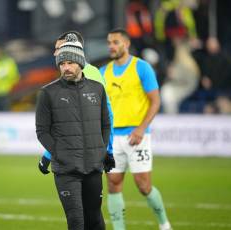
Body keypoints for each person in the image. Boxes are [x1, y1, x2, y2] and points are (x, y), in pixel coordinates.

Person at [35, 33, 115, 230]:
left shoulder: (96, 86)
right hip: (66, 169)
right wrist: (58, 153)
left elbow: (106, 121)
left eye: (70, 62)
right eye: (62, 63)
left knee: (95, 219)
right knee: (76, 222)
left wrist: (103, 150)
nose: (66, 67)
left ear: (80, 62)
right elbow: (42, 131)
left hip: (93, 166)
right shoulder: (48, 93)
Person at [100, 29, 172, 230]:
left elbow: (155, 101)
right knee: (113, 183)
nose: (111, 46)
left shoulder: (142, 67)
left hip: (137, 136)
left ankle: (164, 224)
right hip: (113, 139)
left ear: (126, 43)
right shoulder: (102, 72)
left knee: (143, 185)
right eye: (109, 42)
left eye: (115, 42)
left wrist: (141, 129)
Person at [38, 30, 114, 175]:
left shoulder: (89, 76)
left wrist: (108, 150)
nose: (55, 54)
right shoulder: (72, 75)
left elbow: (107, 115)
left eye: (58, 49)